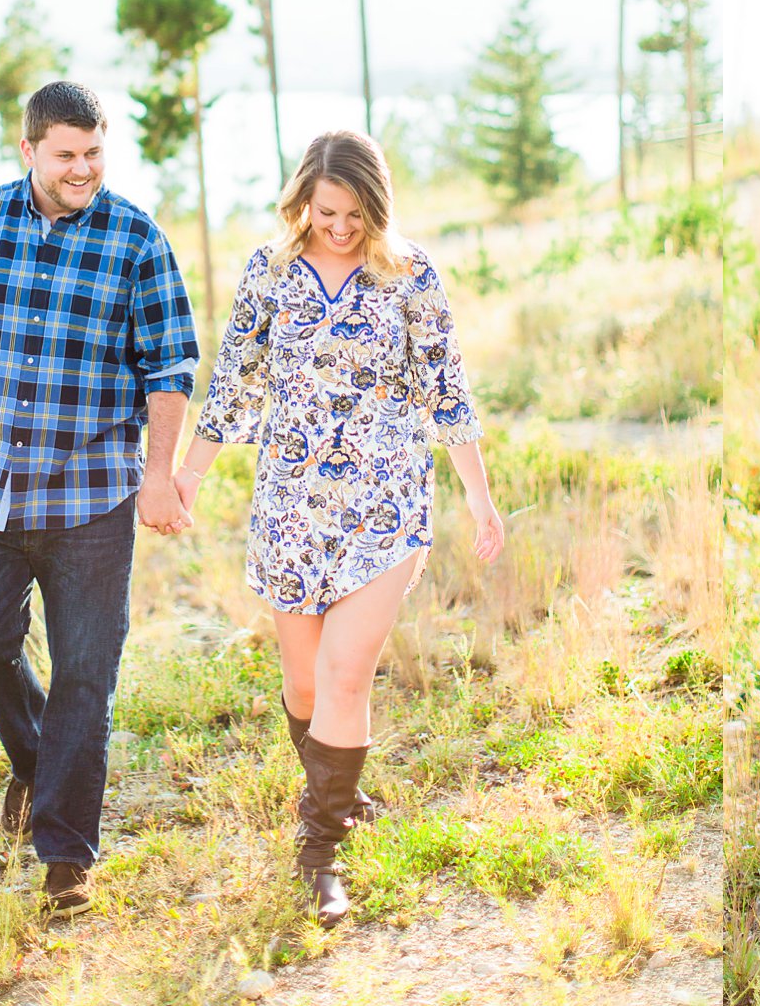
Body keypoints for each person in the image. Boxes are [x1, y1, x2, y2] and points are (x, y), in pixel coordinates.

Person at [176, 129, 505, 927]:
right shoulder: (269, 273)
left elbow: (447, 389)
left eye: (356, 213)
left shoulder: (411, 274)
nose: (341, 226)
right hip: (291, 505)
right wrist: (184, 476)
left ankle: (318, 849)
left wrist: (479, 496)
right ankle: (342, 799)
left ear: (377, 207)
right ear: (302, 202)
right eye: (327, 211)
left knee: (347, 674)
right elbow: (232, 387)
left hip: (385, 504)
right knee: (305, 685)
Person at [0, 82, 199, 917]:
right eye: (66, 154)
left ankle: (67, 856)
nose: (83, 168)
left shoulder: (136, 237)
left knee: (86, 673)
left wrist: (158, 472)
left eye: (95, 152)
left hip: (93, 500)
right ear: (29, 150)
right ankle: (38, 763)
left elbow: (171, 367)